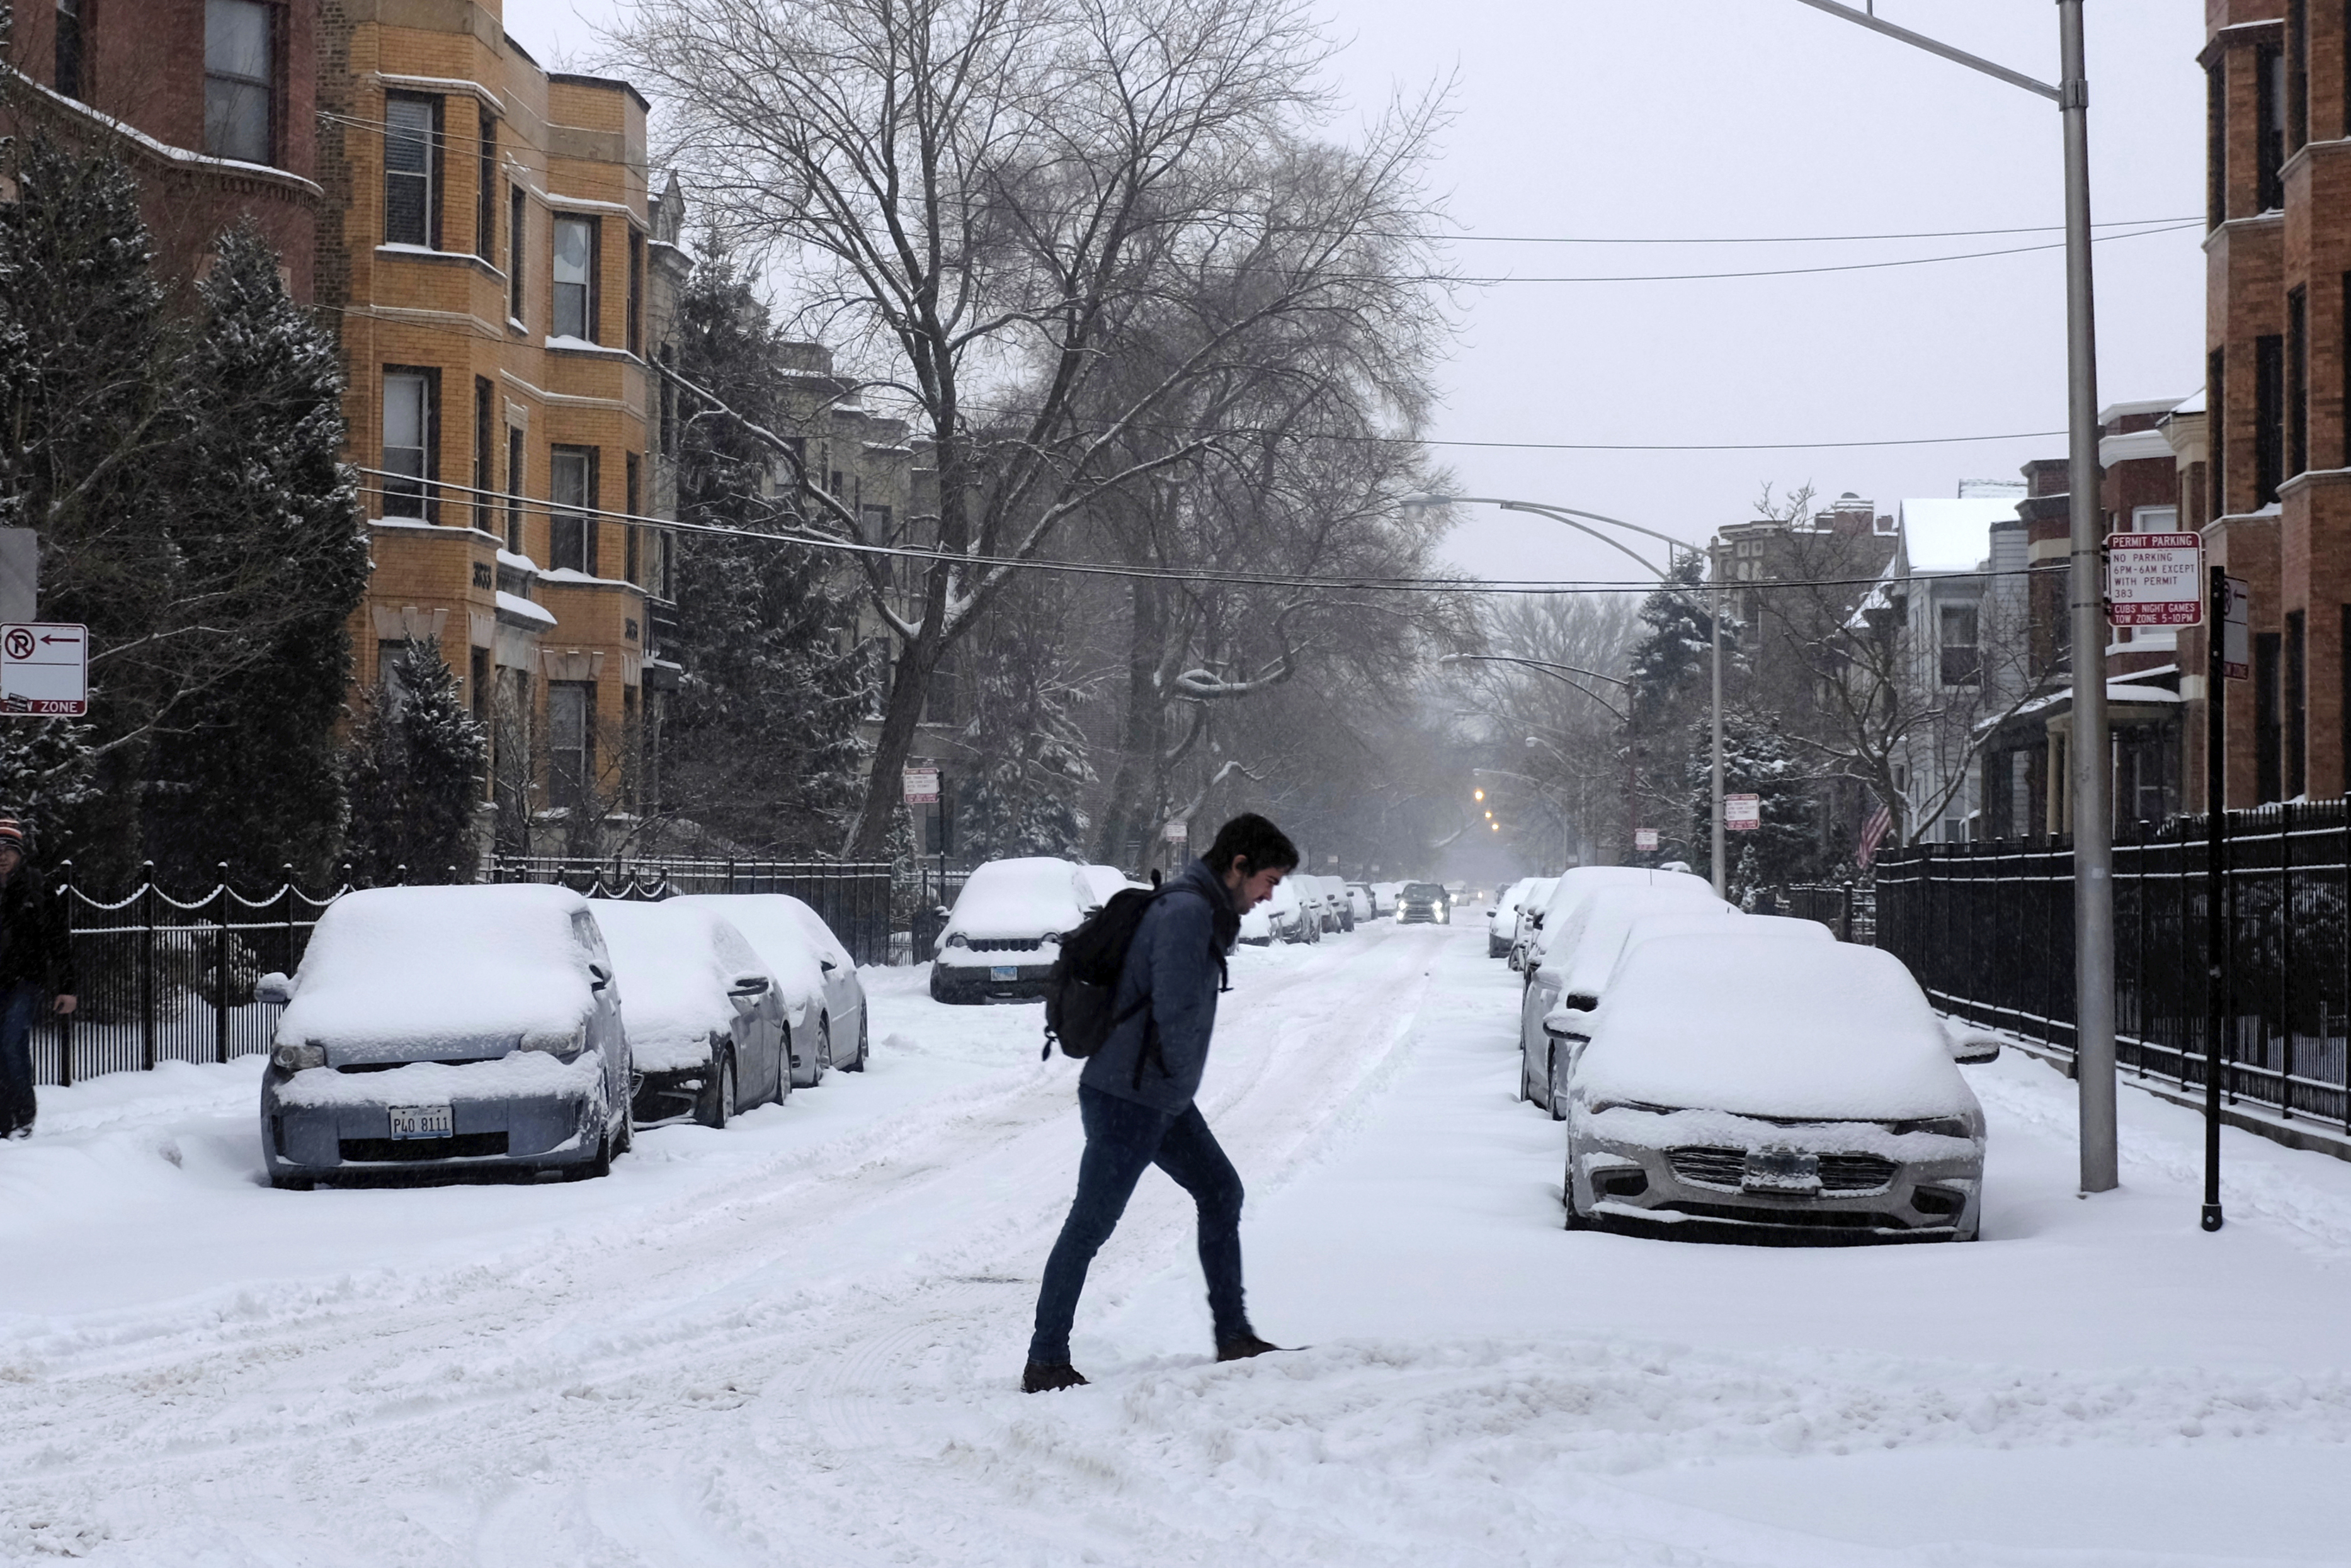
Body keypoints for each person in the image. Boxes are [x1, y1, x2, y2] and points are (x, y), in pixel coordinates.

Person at [1023, 812, 1299, 1394]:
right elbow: (1173, 1007)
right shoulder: (1188, 912)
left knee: (1221, 1192)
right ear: (1238, 865)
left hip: (1156, 1095)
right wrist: (1176, 1070)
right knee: (1089, 1226)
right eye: (1267, 880)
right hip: (1129, 1096)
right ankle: (1045, 1359)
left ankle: (1233, 1335)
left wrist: (1175, 1084)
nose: (1269, 895)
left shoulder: (1201, 908)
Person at [0, 819, 76, 1139]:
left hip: (26, 979)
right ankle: (5, 1122)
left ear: (19, 854)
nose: (2, 856)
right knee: (7, 1046)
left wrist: (68, 988)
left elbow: (59, 939)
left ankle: (24, 1115)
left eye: (8, 851)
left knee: (9, 1041)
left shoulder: (36, 887)